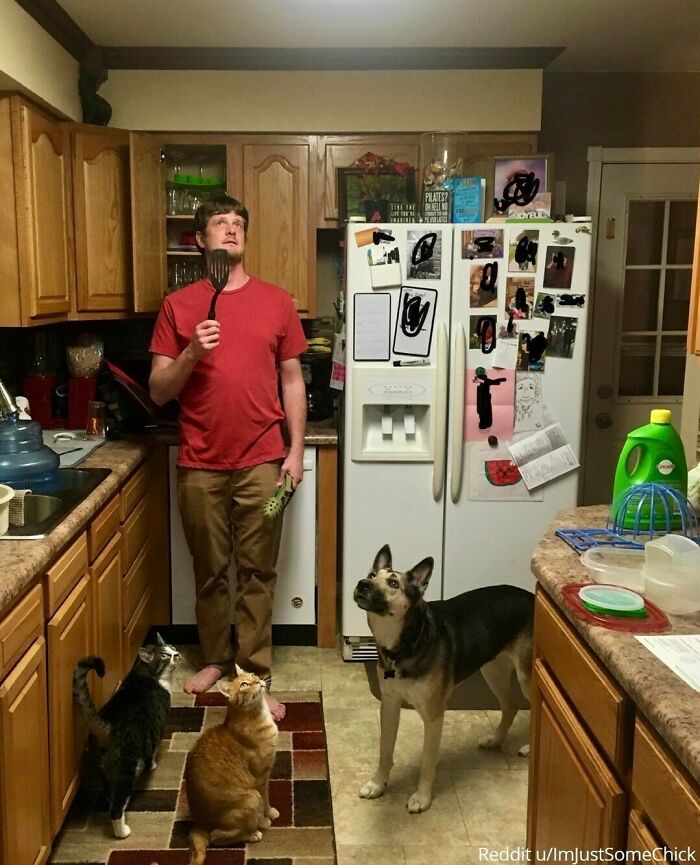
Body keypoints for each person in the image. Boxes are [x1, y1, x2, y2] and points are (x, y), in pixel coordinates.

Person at [148, 195, 307, 721]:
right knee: (211, 570)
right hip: (199, 464)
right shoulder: (179, 305)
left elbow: (292, 380)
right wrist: (192, 351)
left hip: (264, 464)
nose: (232, 230)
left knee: (258, 572)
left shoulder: (277, 302)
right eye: (221, 223)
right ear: (201, 239)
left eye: (239, 223)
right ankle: (216, 659)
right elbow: (158, 391)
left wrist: (297, 451)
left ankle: (255, 676)